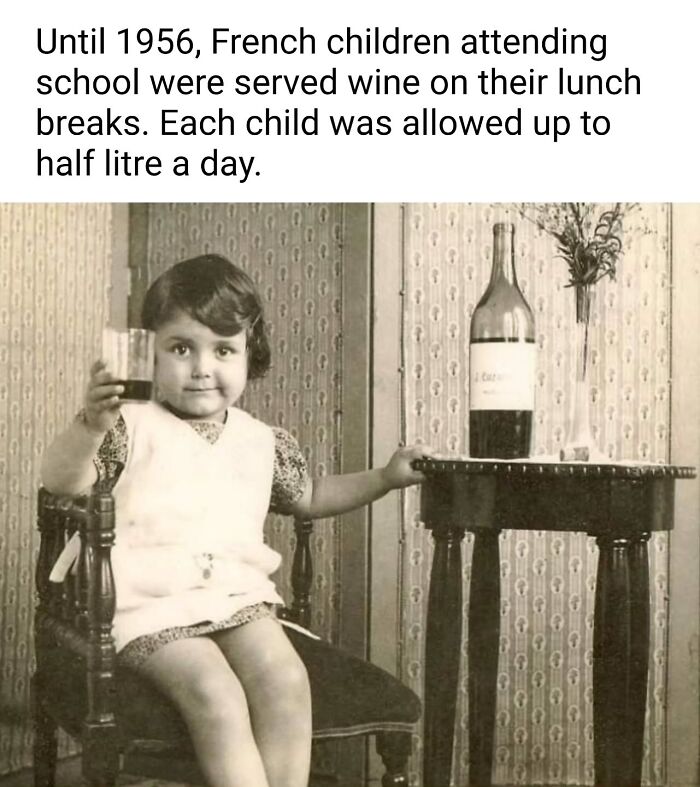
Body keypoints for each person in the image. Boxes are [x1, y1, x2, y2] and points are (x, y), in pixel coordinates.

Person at [41, 254, 430, 787]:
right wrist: (90, 424)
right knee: (214, 690)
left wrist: (384, 477)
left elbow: (310, 494)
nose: (203, 368)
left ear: (251, 353)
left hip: (235, 599)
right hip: (147, 603)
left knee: (285, 677)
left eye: (223, 350)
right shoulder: (128, 425)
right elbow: (62, 481)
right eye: (181, 348)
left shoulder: (259, 440)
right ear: (149, 354)